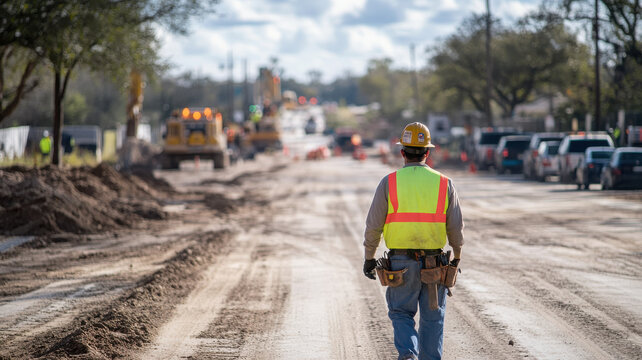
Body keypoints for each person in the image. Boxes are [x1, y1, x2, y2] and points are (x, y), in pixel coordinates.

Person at [363, 122, 465, 360]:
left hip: (400, 263)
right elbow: (456, 227)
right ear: (427, 153)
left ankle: (408, 354)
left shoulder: (388, 182)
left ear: (402, 152)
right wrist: (457, 254)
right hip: (435, 265)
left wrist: (369, 258)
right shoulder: (444, 183)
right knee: (433, 319)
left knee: (400, 313)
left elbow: (374, 225)